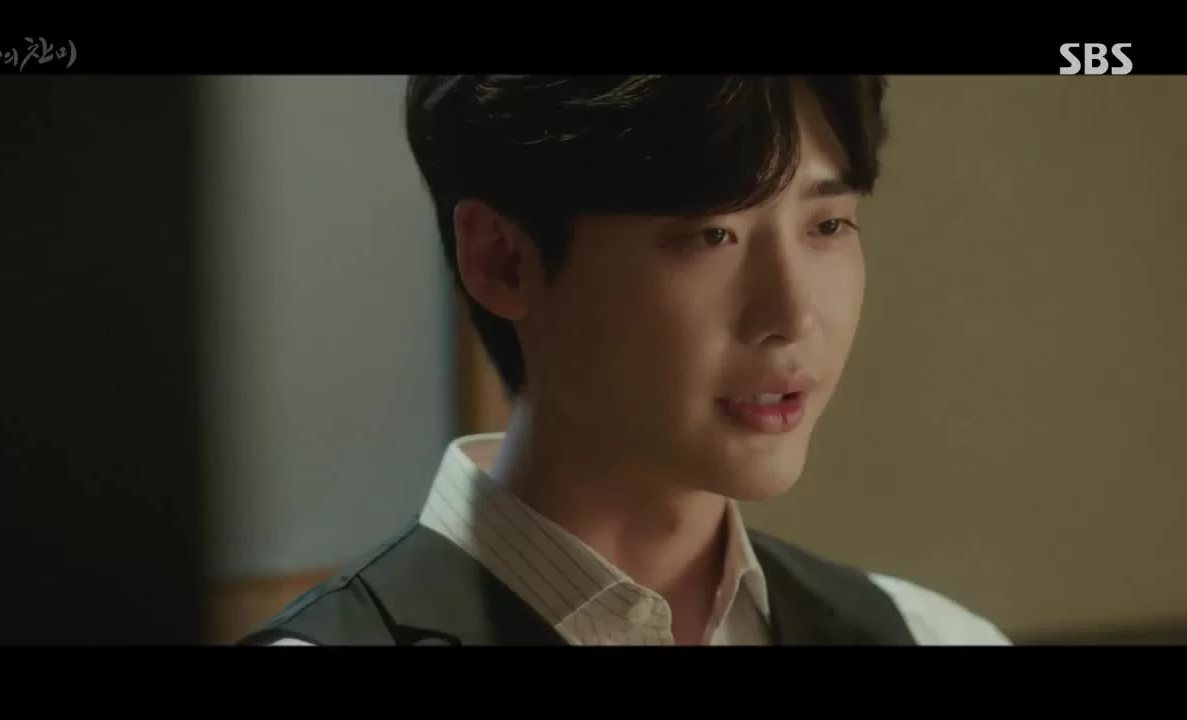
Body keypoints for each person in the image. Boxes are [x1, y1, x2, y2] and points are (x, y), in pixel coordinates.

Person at [241, 75, 1011, 646]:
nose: (792, 316)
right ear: (502, 260)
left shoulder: (930, 635)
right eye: (712, 235)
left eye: (829, 225)